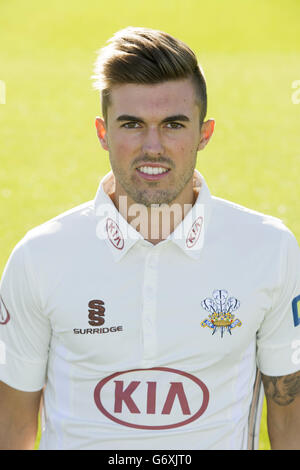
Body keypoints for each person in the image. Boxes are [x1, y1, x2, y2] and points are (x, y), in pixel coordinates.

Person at [0, 27, 300, 451]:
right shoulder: (39, 256)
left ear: (204, 134)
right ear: (103, 133)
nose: (153, 146)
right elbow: (12, 428)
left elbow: (290, 418)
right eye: (132, 124)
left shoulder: (271, 250)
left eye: (174, 125)